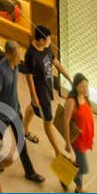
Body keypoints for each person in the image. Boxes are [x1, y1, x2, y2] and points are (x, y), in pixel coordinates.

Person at [0, 40, 43, 183]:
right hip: (4, 114)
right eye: (16, 54)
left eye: (19, 54)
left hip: (15, 110)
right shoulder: (1, 70)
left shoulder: (16, 66)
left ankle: (30, 172)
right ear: (7, 54)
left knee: (21, 141)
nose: (19, 57)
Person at [23, 25, 69, 155]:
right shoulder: (31, 54)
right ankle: (57, 151)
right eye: (48, 40)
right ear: (41, 40)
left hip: (47, 86)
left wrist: (69, 78)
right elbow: (29, 77)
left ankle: (24, 130)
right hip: (40, 92)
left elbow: (56, 63)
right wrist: (34, 96)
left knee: (32, 107)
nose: (50, 42)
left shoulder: (46, 48)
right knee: (48, 120)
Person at [56, 75, 93, 193]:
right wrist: (67, 142)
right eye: (82, 86)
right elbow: (66, 122)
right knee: (83, 168)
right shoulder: (72, 101)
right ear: (76, 87)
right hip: (77, 140)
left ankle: (74, 185)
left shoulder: (85, 98)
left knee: (78, 164)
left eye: (86, 86)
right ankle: (71, 181)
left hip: (85, 138)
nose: (85, 88)